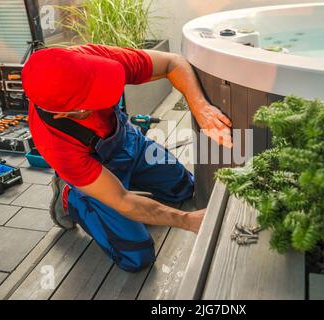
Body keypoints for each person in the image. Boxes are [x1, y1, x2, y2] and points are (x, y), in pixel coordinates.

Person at [21, 44, 232, 272]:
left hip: (129, 142)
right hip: (97, 168)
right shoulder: (55, 143)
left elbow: (173, 63)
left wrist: (200, 107)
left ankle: (132, 182)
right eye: (90, 101)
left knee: (184, 188)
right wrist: (185, 220)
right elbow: (121, 199)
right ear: (62, 113)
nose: (104, 97)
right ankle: (69, 196)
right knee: (137, 257)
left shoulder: (87, 59)